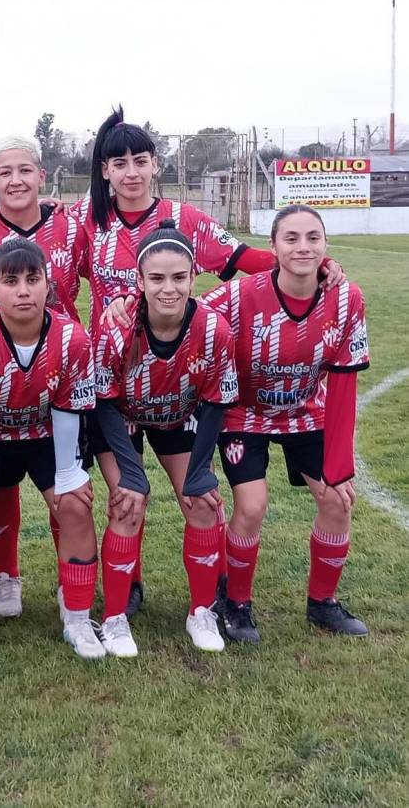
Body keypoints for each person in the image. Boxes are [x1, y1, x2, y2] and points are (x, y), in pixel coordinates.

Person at [78, 108, 342, 619]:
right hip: (115, 385)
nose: (131, 172)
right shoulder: (86, 221)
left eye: (140, 161)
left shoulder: (186, 220)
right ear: (105, 170)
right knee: (126, 496)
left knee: (199, 495)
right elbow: (38, 256)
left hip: (177, 386)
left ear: (156, 165)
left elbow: (242, 259)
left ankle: (217, 588)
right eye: (119, 163)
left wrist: (305, 261)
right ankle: (127, 590)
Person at [199, 204, 370, 642]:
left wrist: (339, 465)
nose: (303, 246)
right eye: (290, 238)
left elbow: (345, 381)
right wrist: (127, 307)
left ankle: (322, 604)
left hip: (306, 411)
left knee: (337, 500)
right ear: (272, 247)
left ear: (326, 245)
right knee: (252, 506)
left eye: (313, 237)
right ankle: (236, 603)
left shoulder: (347, 298)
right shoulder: (238, 297)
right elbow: (183, 315)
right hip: (245, 413)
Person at [0, 238, 99, 666]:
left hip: (45, 435)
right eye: (11, 281)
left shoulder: (72, 337)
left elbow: (68, 410)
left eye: (33, 279)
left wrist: (68, 472)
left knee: (73, 505)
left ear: (50, 285)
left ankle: (79, 617)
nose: (24, 290)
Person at [0, 133, 89, 619]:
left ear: (42, 176)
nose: (15, 180)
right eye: (5, 172)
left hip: (58, 374)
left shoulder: (71, 227)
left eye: (25, 170)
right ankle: (7, 576)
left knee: (66, 483)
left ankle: (64, 579)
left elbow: (118, 271)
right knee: (1, 484)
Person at [94, 219, 238, 656]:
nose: (168, 289)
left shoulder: (214, 329)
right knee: (128, 503)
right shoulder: (117, 329)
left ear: (194, 276)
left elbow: (215, 403)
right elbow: (103, 403)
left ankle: (201, 611)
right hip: (121, 421)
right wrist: (132, 475)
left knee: (202, 503)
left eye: (179, 277)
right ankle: (115, 618)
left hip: (179, 417)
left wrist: (199, 473)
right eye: (156, 278)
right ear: (138, 281)